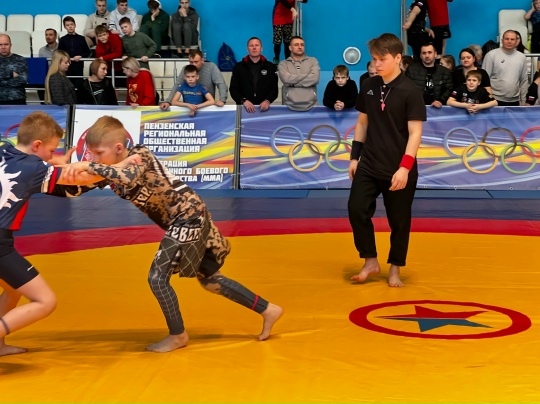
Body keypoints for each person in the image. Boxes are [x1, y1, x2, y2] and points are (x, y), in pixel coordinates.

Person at [64, 115, 283, 352]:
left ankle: (178, 335)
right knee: (210, 280)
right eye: (92, 155)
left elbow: (126, 176)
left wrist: (86, 165)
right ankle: (268, 309)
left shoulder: (139, 154)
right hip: (185, 219)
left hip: (188, 215)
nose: (94, 159)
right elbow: (75, 189)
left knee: (157, 278)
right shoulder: (108, 170)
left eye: (98, 153)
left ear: (118, 148)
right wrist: (58, 172)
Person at [0, 111, 114, 357]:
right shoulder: (34, 168)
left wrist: (53, 162)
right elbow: (79, 178)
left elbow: (34, 167)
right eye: (51, 150)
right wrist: (116, 169)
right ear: (37, 145)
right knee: (45, 301)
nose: (52, 156)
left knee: (14, 288)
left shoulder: (4, 149)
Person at [348, 33, 426, 288]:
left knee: (399, 221)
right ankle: (370, 260)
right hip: (369, 162)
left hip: (398, 166)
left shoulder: (410, 91)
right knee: (356, 209)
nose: (377, 64)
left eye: (382, 59)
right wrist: (354, 157)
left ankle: (395, 268)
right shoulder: (368, 85)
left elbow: (415, 133)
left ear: (398, 58)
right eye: (374, 59)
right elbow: (362, 122)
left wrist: (404, 168)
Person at [160, 49, 228, 109]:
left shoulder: (211, 67)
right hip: (189, 106)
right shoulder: (186, 69)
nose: (193, 64)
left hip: (207, 105)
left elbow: (221, 84)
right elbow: (177, 85)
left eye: (196, 62)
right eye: (191, 62)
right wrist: (168, 102)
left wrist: (222, 100)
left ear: (202, 60)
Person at [229, 37, 278, 113]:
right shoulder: (238, 67)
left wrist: (267, 101)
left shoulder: (270, 67)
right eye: (251, 45)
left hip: (264, 109)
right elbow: (233, 89)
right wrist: (243, 100)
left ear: (261, 48)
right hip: (243, 108)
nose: (254, 48)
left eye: (257, 45)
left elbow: (274, 89)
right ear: (247, 49)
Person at [482, 30, 528, 106]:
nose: (509, 41)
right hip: (494, 100)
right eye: (507, 39)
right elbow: (484, 79)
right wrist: (487, 99)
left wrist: (523, 101)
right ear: (502, 40)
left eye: (512, 39)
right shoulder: (491, 55)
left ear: (516, 41)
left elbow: (524, 80)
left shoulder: (521, 57)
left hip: (515, 100)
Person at [277, 35, 320, 111]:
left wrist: (292, 83)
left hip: (312, 107)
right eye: (296, 45)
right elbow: (286, 79)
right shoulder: (283, 64)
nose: (300, 47)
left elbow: (315, 79)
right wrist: (306, 76)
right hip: (288, 107)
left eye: (302, 45)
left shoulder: (313, 61)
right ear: (290, 48)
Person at [406, 43, 453, 107]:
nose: (427, 55)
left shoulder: (445, 72)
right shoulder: (411, 70)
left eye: (430, 52)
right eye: (424, 53)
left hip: (439, 108)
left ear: (435, 54)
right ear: (420, 55)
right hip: (416, 106)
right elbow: (406, 89)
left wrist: (440, 100)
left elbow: (449, 89)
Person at [58, 16, 92, 89]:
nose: (70, 27)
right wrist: (65, 58)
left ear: (75, 25)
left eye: (71, 24)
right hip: (66, 68)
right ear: (65, 27)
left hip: (78, 67)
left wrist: (81, 56)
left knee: (79, 87)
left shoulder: (81, 38)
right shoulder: (63, 39)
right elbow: (59, 53)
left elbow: (88, 52)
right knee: (68, 87)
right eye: (67, 25)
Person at [0, 33, 28, 105]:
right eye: (0, 45)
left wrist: (2, 81)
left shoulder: (20, 60)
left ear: (10, 45)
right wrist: (11, 74)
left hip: (17, 99)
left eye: (6, 44)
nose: (3, 47)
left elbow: (23, 80)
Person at [272, 0, 297, 65]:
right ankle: (276, 59)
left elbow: (305, 1)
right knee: (277, 42)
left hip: (288, 18)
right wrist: (293, 10)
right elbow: (283, 1)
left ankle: (288, 61)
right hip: (278, 17)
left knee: (287, 42)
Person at [525, 0, 540, 71]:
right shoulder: (533, 13)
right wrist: (532, 9)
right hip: (537, 32)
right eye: (536, 3)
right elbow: (526, 17)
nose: (538, 5)